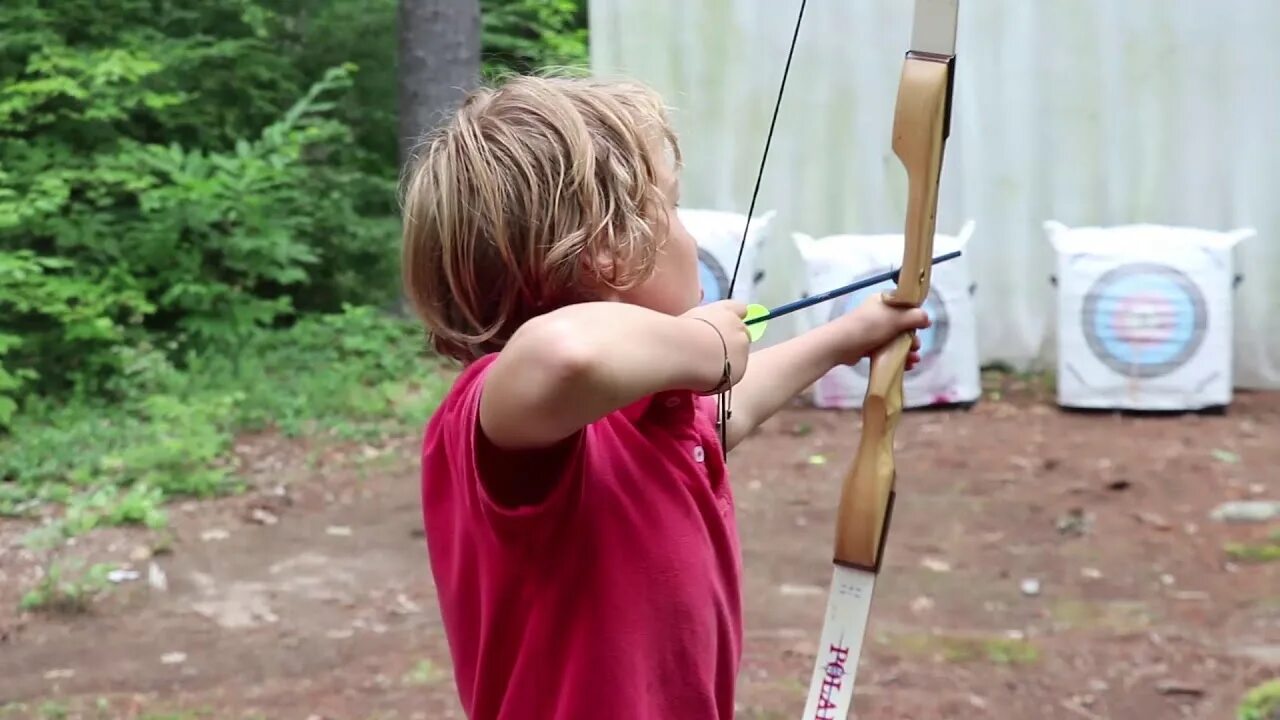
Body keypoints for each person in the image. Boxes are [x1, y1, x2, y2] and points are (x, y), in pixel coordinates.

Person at [399, 74, 929, 720]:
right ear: (607, 254)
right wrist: (705, 348)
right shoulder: (501, 417)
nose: (690, 238)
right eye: (672, 212)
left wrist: (848, 337)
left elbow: (725, 414)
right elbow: (564, 354)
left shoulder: (642, 415)